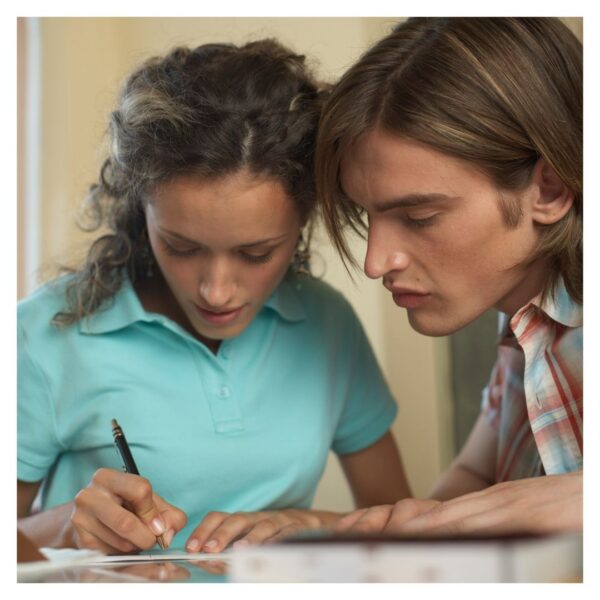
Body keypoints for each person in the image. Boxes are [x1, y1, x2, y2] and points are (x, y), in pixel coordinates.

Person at [17, 39, 411, 555]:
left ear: (304, 222)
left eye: (255, 253)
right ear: (142, 208)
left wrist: (309, 524)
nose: (216, 290)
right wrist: (67, 525)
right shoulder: (43, 336)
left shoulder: (327, 324)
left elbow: (403, 526)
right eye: (181, 246)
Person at [315, 17, 582, 536]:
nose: (376, 262)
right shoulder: (526, 322)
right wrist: (325, 529)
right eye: (368, 216)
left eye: (419, 218)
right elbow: (475, 477)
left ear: (548, 190)